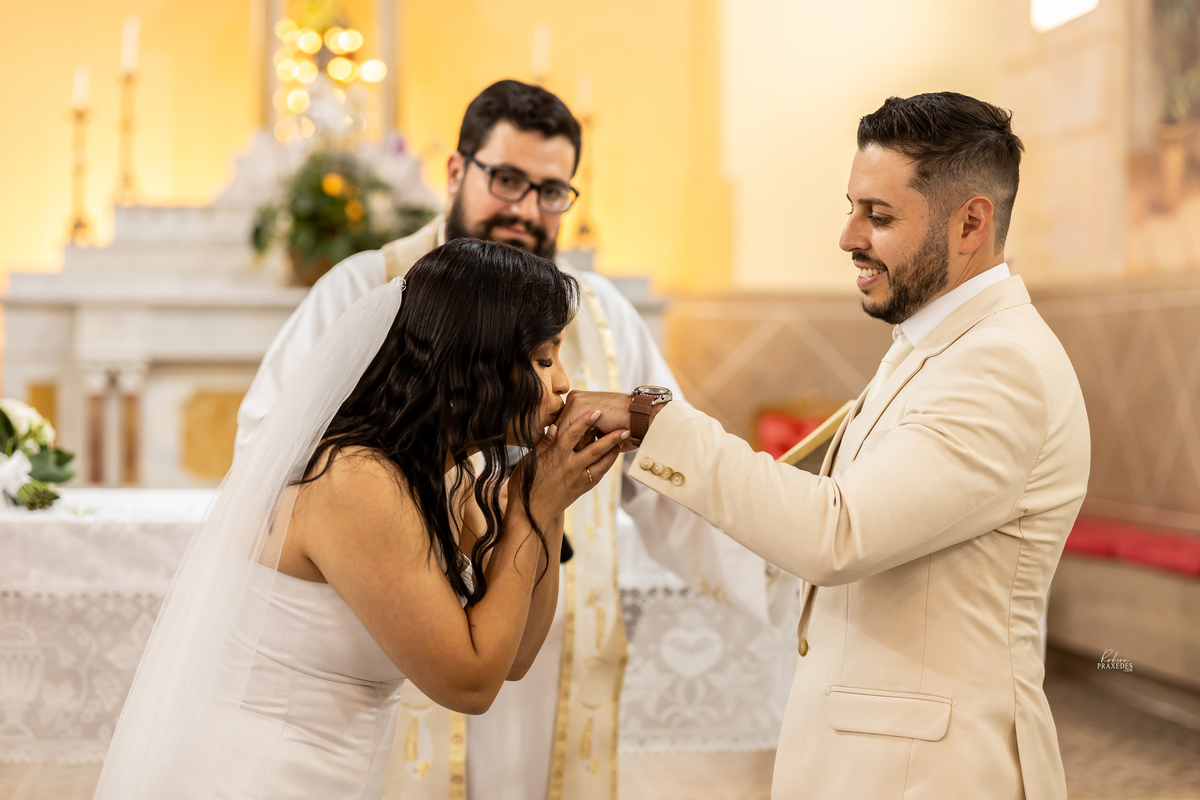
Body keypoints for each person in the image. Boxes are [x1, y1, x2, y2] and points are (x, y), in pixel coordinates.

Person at [235, 79, 784, 800]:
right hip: (387, 639)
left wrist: (789, 572)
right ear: (459, 171)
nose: (527, 209)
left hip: (538, 648)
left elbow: (672, 482)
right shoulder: (366, 297)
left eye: (552, 191)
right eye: (509, 180)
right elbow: (270, 462)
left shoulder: (603, 314)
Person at [565, 92, 1090, 799]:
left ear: (970, 222)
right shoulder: (935, 347)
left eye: (878, 215)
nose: (848, 236)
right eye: (852, 207)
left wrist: (654, 420)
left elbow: (836, 532)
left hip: (934, 775)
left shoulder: (1002, 366)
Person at [93, 239, 628, 799]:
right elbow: (470, 683)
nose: (564, 382)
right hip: (258, 777)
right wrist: (532, 508)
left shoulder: (451, 473)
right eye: (544, 359)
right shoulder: (356, 479)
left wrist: (542, 506)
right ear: (476, 362)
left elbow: (513, 655)